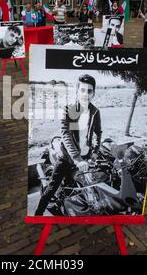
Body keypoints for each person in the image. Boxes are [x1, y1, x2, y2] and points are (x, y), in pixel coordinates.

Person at [35, 74, 102, 216]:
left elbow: (97, 133)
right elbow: (66, 135)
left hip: (85, 159)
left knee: (83, 188)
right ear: (77, 91)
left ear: (93, 93)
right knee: (52, 188)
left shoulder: (96, 112)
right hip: (67, 158)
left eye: (89, 91)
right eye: (82, 90)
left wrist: (95, 151)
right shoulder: (69, 110)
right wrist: (77, 159)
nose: (85, 94)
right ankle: (38, 214)